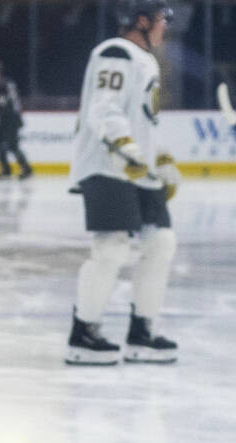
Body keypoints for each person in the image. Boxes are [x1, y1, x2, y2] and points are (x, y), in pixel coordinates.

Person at [65, 0, 181, 365]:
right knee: (111, 248)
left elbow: (140, 117)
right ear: (142, 21)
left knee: (161, 242)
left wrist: (156, 157)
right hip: (107, 164)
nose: (166, 26)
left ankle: (141, 333)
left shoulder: (143, 59)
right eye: (162, 19)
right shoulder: (115, 53)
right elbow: (104, 107)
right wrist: (124, 146)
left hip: (135, 168)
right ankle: (83, 335)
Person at [0, 58, 33, 180]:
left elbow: (10, 102)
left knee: (12, 145)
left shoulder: (6, 84)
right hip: (0, 119)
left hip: (11, 119)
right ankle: (6, 169)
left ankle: (26, 169)